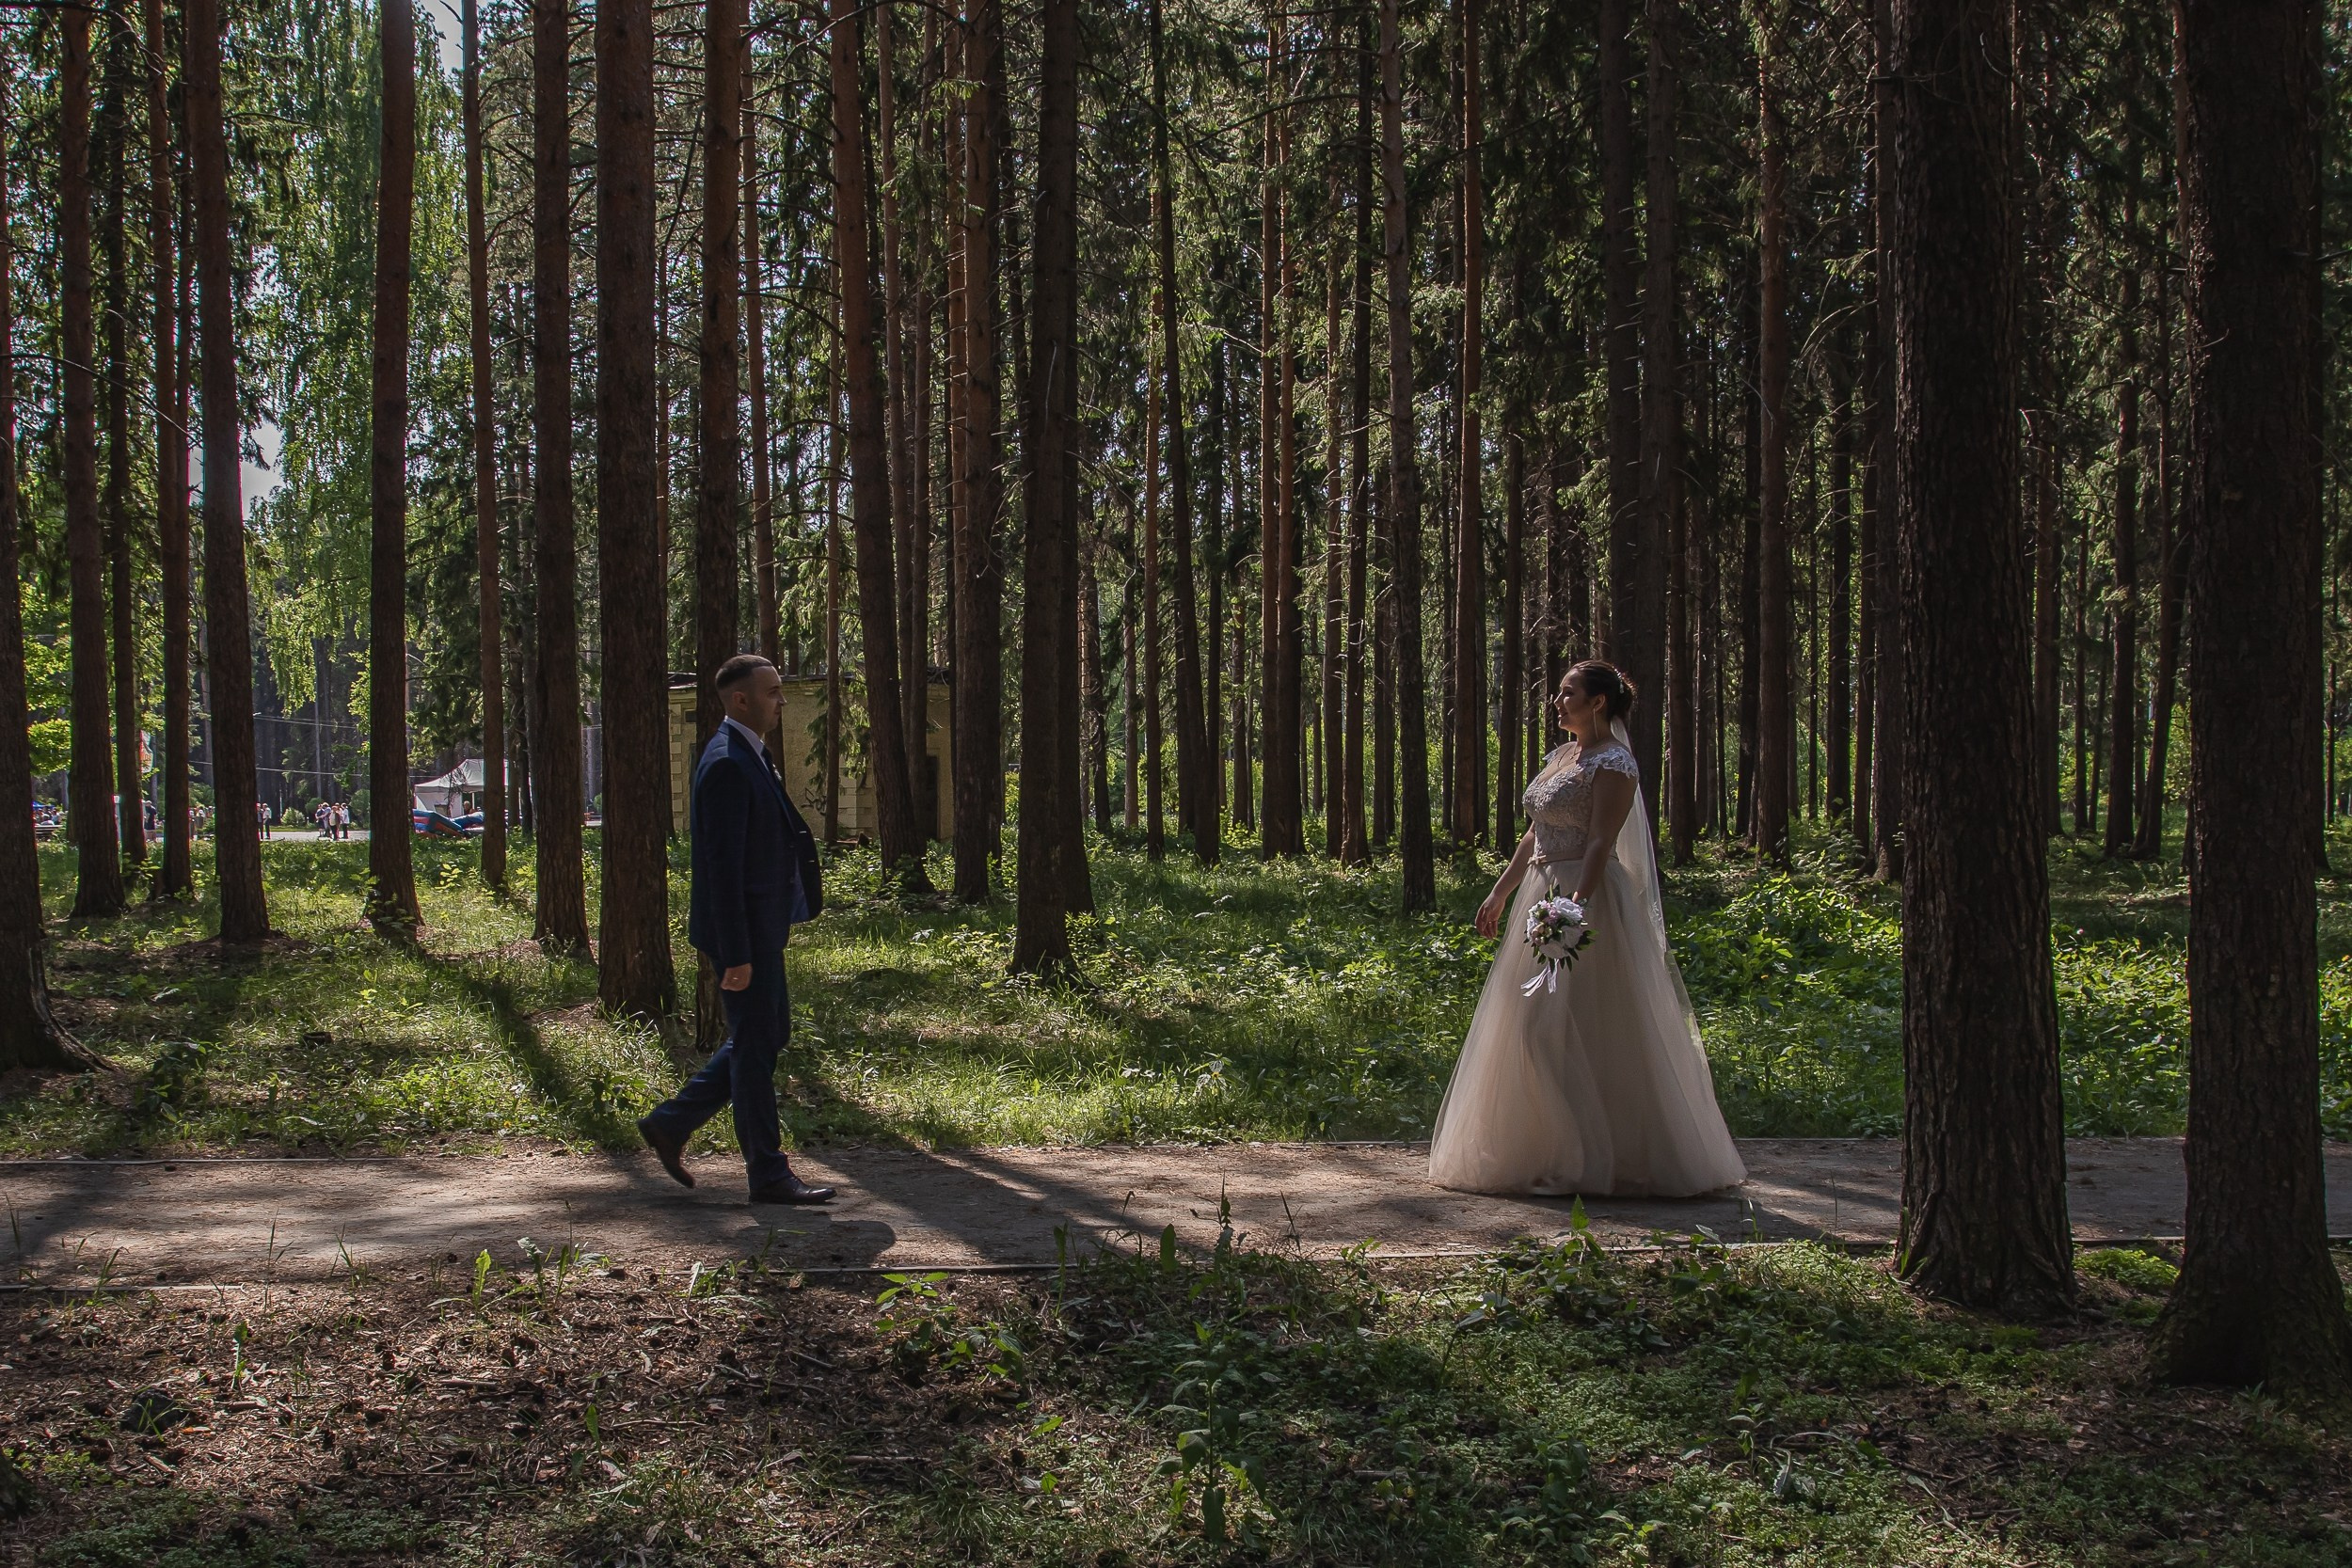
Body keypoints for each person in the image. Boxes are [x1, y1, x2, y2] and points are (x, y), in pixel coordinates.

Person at [1427, 659, 1745, 1198]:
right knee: (1530, 1024)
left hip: (1585, 896)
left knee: (1584, 1025)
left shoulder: (1615, 765)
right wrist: (1500, 892)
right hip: (1540, 890)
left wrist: (1577, 906)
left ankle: (1608, 1155)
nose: (1557, 700)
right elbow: (1537, 833)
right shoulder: (1561, 758)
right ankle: (1552, 1148)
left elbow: (1601, 840)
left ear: (1598, 702)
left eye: (1567, 692)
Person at [637, 653, 834, 1205]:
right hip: (743, 936)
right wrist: (738, 954)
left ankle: (673, 1122)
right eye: (772, 692)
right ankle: (768, 1174)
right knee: (754, 1046)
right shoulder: (726, 762)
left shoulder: (750, 754)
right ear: (741, 699)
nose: (782, 700)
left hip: (761, 929)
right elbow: (720, 871)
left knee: (766, 1036)